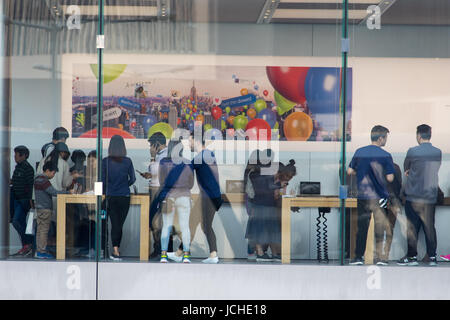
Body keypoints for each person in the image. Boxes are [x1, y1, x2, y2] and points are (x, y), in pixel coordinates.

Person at [165, 134, 223, 264]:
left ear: (196, 141)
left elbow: (185, 170)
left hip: (209, 196)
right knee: (197, 224)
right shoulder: (208, 154)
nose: (189, 144)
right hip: (211, 195)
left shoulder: (200, 157)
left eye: (190, 141)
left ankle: (211, 255)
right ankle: (181, 252)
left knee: (203, 226)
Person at [347, 125, 395, 265]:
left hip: (362, 196)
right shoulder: (385, 155)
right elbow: (390, 178)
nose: (386, 140)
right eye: (385, 137)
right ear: (380, 138)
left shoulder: (360, 152)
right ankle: (380, 258)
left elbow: (349, 171)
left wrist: (361, 173)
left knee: (362, 227)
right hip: (380, 197)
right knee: (380, 227)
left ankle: (357, 257)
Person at [397, 124, 442, 266]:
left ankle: (411, 257)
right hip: (430, 196)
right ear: (430, 135)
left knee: (412, 228)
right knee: (429, 227)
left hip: (413, 196)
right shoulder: (438, 152)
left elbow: (407, 170)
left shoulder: (412, 151)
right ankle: (432, 256)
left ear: (418, 136)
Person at [247, 158, 296, 262]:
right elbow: (264, 189)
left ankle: (274, 253)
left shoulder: (272, 178)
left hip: (268, 205)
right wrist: (279, 186)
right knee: (258, 230)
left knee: (272, 230)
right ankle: (259, 253)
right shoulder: (257, 175)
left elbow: (275, 194)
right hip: (259, 205)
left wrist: (281, 188)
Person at [157, 138, 194, 263]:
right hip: (184, 197)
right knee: (185, 227)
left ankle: (163, 255)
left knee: (166, 226)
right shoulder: (188, 163)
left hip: (169, 198)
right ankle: (186, 256)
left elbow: (162, 182)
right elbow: (191, 183)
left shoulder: (163, 162)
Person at [102, 135, 136, 261]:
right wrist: (123, 185)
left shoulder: (105, 161)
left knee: (114, 223)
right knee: (119, 224)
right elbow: (132, 179)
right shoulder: (128, 161)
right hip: (124, 196)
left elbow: (102, 180)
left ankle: (115, 250)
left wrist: (108, 189)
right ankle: (116, 249)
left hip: (110, 196)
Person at [34, 161, 73, 259]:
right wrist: (68, 192)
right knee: (43, 231)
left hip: (39, 208)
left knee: (40, 230)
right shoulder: (43, 180)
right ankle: (41, 251)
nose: (53, 175)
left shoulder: (37, 179)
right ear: (47, 170)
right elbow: (53, 192)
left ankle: (39, 250)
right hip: (45, 209)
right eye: (53, 173)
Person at [139, 132, 169, 258]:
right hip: (157, 191)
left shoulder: (165, 156)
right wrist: (149, 175)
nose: (150, 148)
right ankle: (158, 249)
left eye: (151, 145)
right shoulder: (161, 156)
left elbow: (160, 173)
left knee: (157, 222)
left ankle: (161, 250)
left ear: (156, 144)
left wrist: (152, 158)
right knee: (155, 223)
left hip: (160, 193)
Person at [9, 145, 35, 257]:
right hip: (16, 199)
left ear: (24, 155)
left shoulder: (28, 168)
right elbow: (16, 182)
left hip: (23, 200)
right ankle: (26, 245)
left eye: (16, 154)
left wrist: (30, 200)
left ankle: (28, 244)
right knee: (19, 222)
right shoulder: (18, 167)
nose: (15, 157)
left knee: (17, 221)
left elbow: (30, 185)